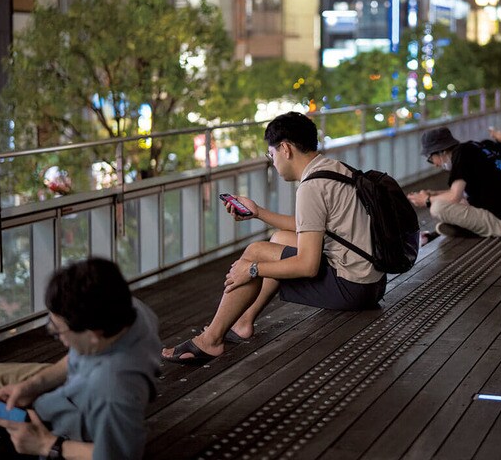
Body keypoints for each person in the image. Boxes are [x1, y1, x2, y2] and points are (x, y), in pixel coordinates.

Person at [161, 111, 386, 364]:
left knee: (256, 251)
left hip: (353, 288)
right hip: (372, 280)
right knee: (279, 238)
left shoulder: (312, 187)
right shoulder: (334, 169)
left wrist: (253, 270)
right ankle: (243, 321)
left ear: (286, 149)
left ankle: (210, 340)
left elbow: (308, 266)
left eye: (271, 155)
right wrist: (258, 213)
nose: (273, 162)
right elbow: (309, 228)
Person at [0, 258, 161, 460]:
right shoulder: (125, 309)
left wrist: (47, 444)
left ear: (93, 334)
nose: (56, 336)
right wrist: (33, 385)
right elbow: (76, 358)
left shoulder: (114, 388)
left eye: (59, 330)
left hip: (72, 429)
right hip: (66, 392)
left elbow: (121, 456)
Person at [407, 127, 501, 238]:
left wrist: (427, 200)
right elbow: (462, 193)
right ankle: (469, 228)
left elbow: (454, 196)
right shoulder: (472, 147)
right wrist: (434, 194)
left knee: (437, 208)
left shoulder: (461, 156)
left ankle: (476, 230)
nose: (435, 165)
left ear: (441, 152)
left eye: (431, 159)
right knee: (454, 202)